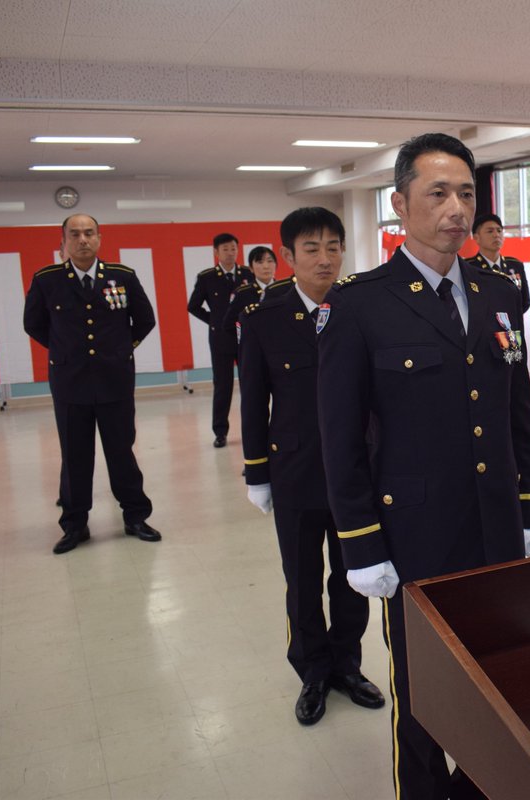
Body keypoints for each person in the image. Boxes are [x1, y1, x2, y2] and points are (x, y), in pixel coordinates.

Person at [318, 132, 530, 799]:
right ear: (400, 203)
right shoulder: (360, 304)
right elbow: (340, 437)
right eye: (437, 192)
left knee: (496, 679)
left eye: (466, 193)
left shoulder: (499, 292)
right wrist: (360, 545)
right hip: (413, 535)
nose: (455, 208)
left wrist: (526, 508)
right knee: (422, 696)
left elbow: (515, 412)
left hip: (495, 527)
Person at [238, 208, 383, 726]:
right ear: (288, 257)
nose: (325, 259)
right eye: (312, 249)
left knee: (352, 575)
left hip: (358, 474)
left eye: (333, 247)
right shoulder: (263, 318)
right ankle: (313, 672)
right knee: (301, 579)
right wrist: (256, 472)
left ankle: (347, 664)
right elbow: (253, 402)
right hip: (296, 471)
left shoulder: (363, 308)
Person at [24, 214, 162, 554]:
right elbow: (34, 324)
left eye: (89, 233)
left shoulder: (121, 277)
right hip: (70, 383)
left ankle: (135, 517)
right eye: (75, 234)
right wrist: (65, 352)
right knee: (75, 456)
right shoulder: (47, 280)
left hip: (114, 380)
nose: (83, 239)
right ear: (64, 241)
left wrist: (119, 350)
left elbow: (145, 320)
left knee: (121, 452)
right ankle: (74, 525)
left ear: (99, 238)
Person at [187, 232, 253, 448]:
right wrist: (214, 321)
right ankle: (220, 432)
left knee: (250, 385)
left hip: (246, 338)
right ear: (216, 252)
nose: (230, 253)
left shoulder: (247, 273)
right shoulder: (207, 277)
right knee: (222, 386)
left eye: (233, 248)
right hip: (220, 339)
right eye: (225, 249)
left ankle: (252, 430)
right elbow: (193, 306)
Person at [223, 246, 291, 343]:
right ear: (251, 268)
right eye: (260, 262)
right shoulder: (242, 293)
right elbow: (229, 325)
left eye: (270, 261)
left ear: (276, 265)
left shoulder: (287, 289)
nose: (266, 266)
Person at [466, 213, 530, 313]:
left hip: (512, 327)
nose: (496, 235)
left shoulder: (515, 265)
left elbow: (525, 302)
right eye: (490, 231)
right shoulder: (468, 267)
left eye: (499, 230)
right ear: (476, 237)